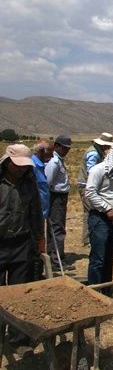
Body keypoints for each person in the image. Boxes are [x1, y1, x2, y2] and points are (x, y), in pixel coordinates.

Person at [0, 144, 45, 355]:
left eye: (24, 166)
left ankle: (19, 340)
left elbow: (35, 212)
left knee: (21, 294)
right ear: (7, 161)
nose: (20, 169)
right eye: (17, 166)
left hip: (21, 243)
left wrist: (40, 238)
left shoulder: (29, 181)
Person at [84, 140, 113, 295]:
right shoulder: (98, 170)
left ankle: (106, 291)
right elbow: (90, 192)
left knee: (110, 256)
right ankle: (95, 294)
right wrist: (106, 209)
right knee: (98, 257)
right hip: (99, 218)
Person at [77, 132, 113, 246]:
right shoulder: (93, 153)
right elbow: (91, 171)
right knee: (90, 211)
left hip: (89, 185)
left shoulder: (98, 151)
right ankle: (88, 238)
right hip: (87, 185)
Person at [44, 134, 72, 266]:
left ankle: (53, 257)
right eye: (64, 148)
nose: (66, 151)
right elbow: (47, 181)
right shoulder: (54, 162)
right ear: (56, 146)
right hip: (56, 197)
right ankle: (57, 261)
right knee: (57, 229)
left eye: (68, 149)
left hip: (59, 197)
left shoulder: (58, 160)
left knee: (55, 228)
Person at [31, 140, 53, 279]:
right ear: (41, 151)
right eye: (50, 152)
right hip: (34, 214)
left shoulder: (40, 165)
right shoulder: (32, 165)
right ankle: (34, 275)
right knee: (35, 245)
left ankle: (37, 274)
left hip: (42, 213)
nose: (52, 155)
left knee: (40, 244)